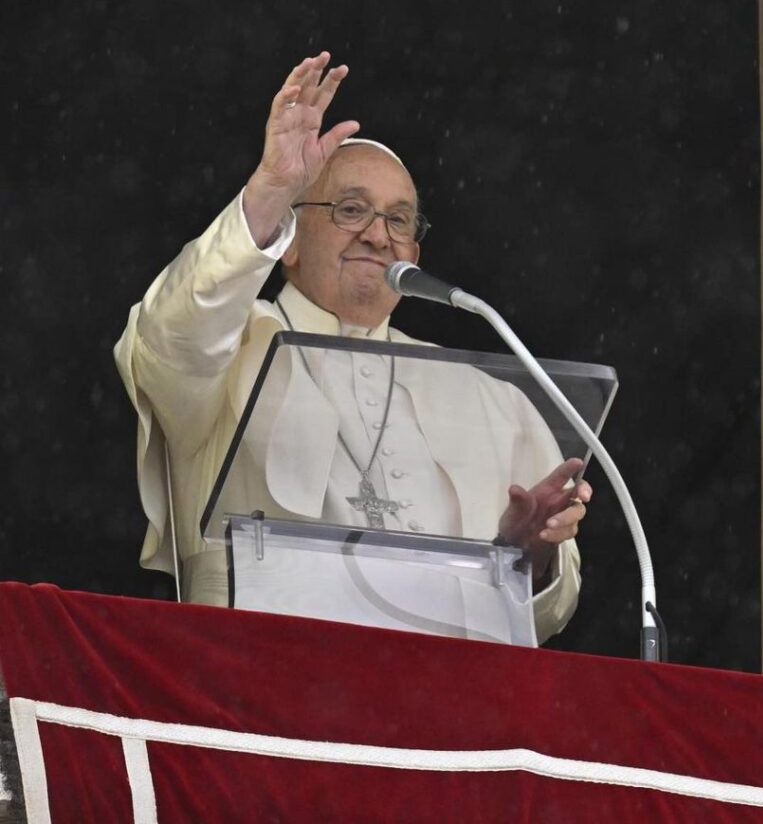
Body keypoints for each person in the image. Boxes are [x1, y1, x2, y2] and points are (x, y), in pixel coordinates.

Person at [115, 52, 591, 642]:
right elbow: (173, 335)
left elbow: (547, 613)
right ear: (289, 240)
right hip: (259, 702)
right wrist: (269, 191)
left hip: (446, 713)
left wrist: (529, 557)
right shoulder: (230, 353)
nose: (377, 235)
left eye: (400, 221)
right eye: (350, 210)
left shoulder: (491, 401)